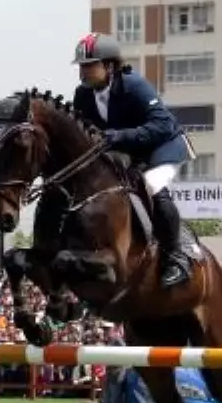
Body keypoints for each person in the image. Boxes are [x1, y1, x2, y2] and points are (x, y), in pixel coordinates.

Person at [71, 32, 193, 288]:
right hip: (127, 151)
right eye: (81, 66)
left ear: (110, 65)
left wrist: (116, 135)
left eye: (90, 65)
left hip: (164, 146)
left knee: (152, 186)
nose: (83, 71)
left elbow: (161, 125)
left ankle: (176, 258)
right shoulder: (82, 95)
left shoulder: (134, 85)